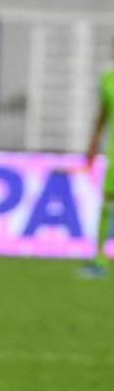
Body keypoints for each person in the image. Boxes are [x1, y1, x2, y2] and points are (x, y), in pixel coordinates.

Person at [80, 48, 114, 279]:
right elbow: (103, 113)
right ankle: (100, 260)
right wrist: (93, 143)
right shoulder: (107, 79)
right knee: (108, 203)